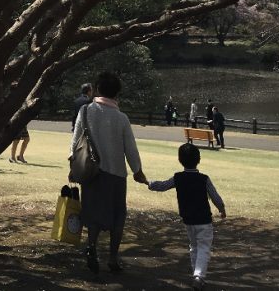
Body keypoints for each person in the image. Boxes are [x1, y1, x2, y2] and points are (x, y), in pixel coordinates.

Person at [71, 71, 148, 274]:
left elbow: (75, 142)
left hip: (91, 173)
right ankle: (113, 258)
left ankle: (92, 249)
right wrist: (137, 171)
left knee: (93, 214)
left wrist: (74, 166)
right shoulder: (121, 118)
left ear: (96, 89)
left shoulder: (86, 111)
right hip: (116, 174)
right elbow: (130, 148)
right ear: (117, 94)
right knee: (117, 216)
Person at [148, 142, 227, 290]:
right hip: (203, 219)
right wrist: (221, 209)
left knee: (194, 247)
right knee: (203, 247)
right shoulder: (204, 179)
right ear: (199, 159)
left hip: (188, 220)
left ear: (180, 160)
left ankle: (196, 274)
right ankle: (199, 276)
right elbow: (214, 196)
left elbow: (163, 185)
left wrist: (149, 183)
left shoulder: (178, 178)